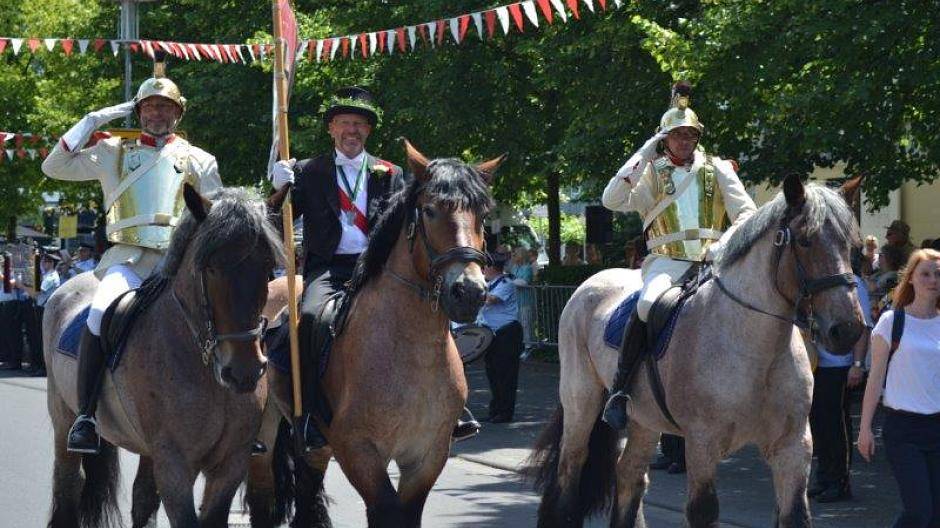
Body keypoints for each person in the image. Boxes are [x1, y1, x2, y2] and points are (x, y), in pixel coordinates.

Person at [41, 72, 222, 454]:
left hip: (179, 263)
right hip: (128, 260)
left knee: (224, 317)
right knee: (99, 314)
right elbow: (54, 166)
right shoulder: (112, 152)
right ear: (138, 112)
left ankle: (235, 412)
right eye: (150, 107)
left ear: (178, 114)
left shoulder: (201, 160)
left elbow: (215, 217)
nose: (158, 113)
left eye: (166, 107)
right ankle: (86, 416)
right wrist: (94, 119)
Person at [600, 81, 757, 427]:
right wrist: (645, 151)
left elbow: (747, 212)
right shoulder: (651, 174)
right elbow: (611, 199)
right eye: (677, 135)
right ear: (664, 138)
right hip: (667, 261)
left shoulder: (718, 168)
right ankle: (621, 388)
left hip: (715, 259)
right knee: (646, 305)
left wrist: (725, 244)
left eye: (690, 134)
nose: (685, 140)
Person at [269, 86, 405, 449]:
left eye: (359, 124)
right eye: (344, 122)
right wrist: (279, 190)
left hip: (377, 269)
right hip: (329, 269)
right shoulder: (308, 171)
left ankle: (449, 405)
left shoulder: (390, 172)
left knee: (424, 311)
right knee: (311, 317)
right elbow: (274, 222)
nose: (351, 130)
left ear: (368, 130)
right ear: (331, 128)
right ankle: (310, 412)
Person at [858, 248, 940, 527]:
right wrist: (864, 429)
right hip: (903, 430)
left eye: (938, 274)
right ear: (911, 278)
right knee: (919, 512)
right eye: (925, 274)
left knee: (935, 516)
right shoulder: (892, 322)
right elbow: (875, 379)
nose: (933, 280)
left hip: (937, 427)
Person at [808, 254, 874, 503]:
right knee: (819, 424)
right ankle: (825, 477)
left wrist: (857, 365)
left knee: (836, 425)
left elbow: (862, 327)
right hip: (816, 364)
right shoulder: (818, 281)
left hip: (839, 366)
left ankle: (840, 482)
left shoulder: (854, 283)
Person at [478, 252, 524, 423]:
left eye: (484, 266)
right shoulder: (490, 283)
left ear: (492, 268)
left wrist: (471, 292)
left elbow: (491, 299)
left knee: (506, 375)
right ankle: (495, 409)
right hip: (492, 333)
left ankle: (505, 412)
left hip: (507, 333)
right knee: (493, 373)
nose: (482, 270)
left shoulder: (506, 283)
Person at [22, 253, 61, 376]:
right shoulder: (46, 275)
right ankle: (38, 365)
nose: (43, 264)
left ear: (51, 263)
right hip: (40, 309)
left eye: (45, 262)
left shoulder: (51, 277)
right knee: (37, 338)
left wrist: (22, 285)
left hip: (45, 310)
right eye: (43, 261)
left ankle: (44, 367)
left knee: (43, 339)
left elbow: (35, 293)